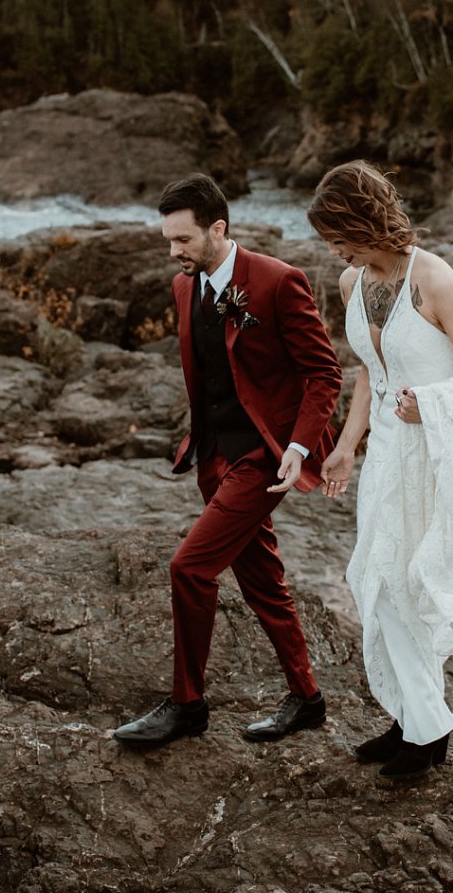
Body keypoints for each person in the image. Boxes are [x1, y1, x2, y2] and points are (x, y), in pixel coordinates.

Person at [309, 161, 453, 785]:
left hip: (432, 453)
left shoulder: (433, 278)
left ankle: (424, 729)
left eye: (340, 234)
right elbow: (367, 370)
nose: (336, 250)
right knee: (377, 581)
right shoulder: (352, 282)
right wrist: (346, 444)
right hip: (383, 451)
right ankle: (416, 719)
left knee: (410, 581)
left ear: (365, 220)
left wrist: (428, 406)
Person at [113, 174, 345, 748]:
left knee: (189, 568)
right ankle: (308, 697)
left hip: (264, 456)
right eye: (169, 240)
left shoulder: (276, 281)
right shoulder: (183, 287)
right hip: (212, 456)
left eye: (184, 240)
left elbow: (324, 373)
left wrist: (295, 447)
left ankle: (187, 705)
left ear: (218, 228)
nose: (174, 252)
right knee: (261, 577)